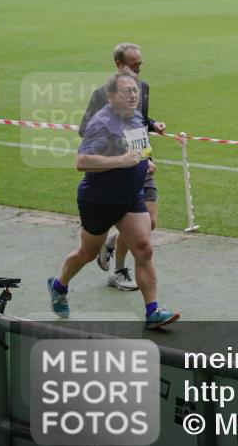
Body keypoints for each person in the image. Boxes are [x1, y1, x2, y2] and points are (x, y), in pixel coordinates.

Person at [49, 68, 179, 329]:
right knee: (87, 253)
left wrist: (145, 163)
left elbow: (138, 148)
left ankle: (153, 311)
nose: (133, 96)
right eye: (127, 91)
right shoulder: (101, 123)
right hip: (99, 199)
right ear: (110, 96)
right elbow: (82, 162)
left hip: (130, 196)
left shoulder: (136, 116)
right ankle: (59, 284)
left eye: (135, 91)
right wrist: (121, 161)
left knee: (144, 247)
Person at [79, 43, 166, 291]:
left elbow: (136, 121)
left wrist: (153, 124)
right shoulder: (102, 94)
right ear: (119, 64)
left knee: (150, 222)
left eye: (140, 65)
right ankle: (119, 271)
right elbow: (86, 130)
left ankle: (113, 242)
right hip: (117, 171)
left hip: (142, 164)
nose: (138, 70)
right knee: (141, 238)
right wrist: (121, 153)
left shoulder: (144, 88)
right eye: (133, 65)